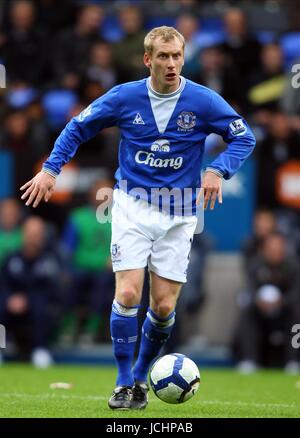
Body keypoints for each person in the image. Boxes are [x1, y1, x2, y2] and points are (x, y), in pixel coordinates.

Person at [20, 26, 256, 410]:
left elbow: (244, 137)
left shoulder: (204, 100)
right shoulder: (125, 96)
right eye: (163, 56)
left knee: (162, 308)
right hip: (133, 203)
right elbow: (78, 127)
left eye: (177, 56)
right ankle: (122, 381)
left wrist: (217, 170)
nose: (171, 63)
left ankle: (144, 378)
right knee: (128, 293)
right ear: (148, 60)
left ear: (183, 58)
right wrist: (50, 169)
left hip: (180, 213)